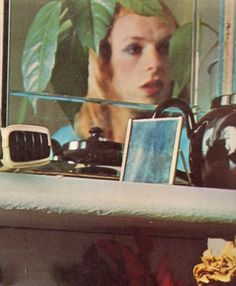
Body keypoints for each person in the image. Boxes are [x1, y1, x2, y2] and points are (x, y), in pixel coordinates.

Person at [53, 2, 178, 145]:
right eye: (134, 49)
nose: (155, 64)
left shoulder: (192, 147)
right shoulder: (66, 142)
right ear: (103, 61)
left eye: (164, 47)